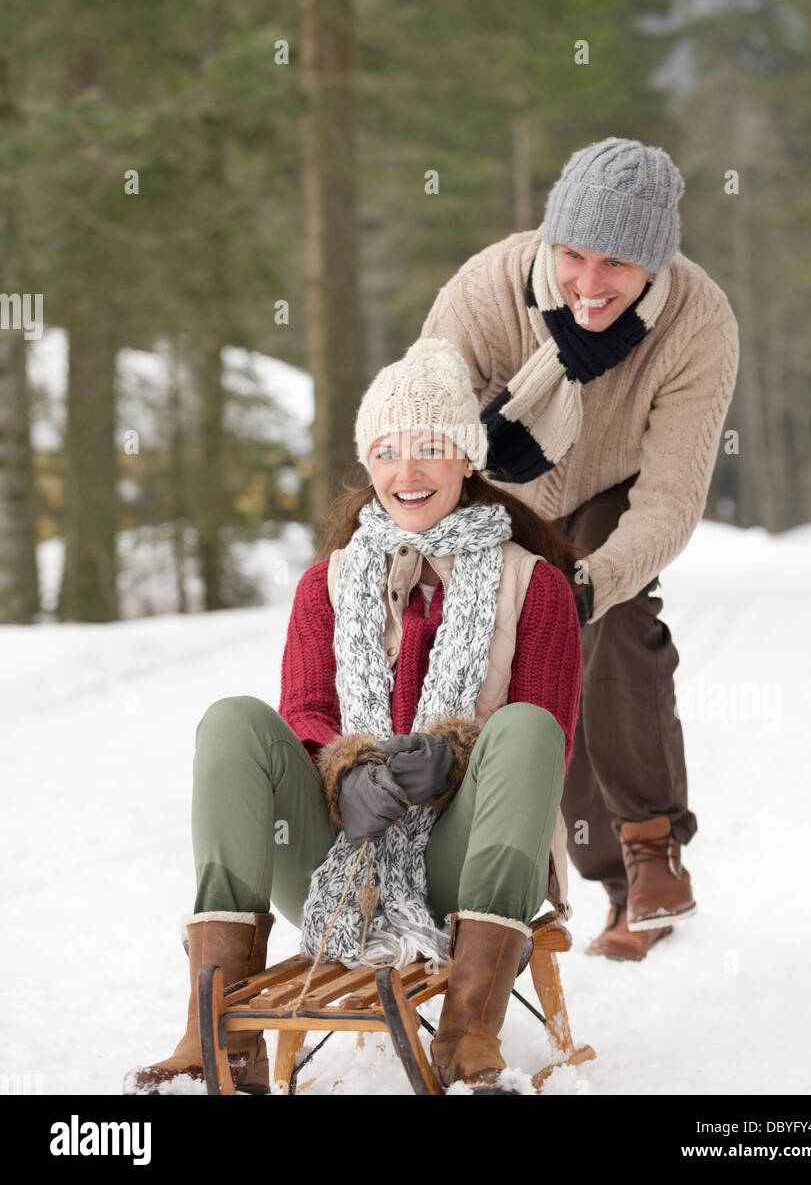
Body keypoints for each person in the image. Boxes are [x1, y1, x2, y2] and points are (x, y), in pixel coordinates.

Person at [124, 336, 585, 1096]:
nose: (408, 472)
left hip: (473, 863)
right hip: (339, 869)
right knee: (234, 720)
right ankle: (213, 1034)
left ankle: (469, 1034)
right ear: (368, 462)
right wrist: (343, 771)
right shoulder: (325, 586)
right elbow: (305, 713)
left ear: (467, 459)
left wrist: (455, 759)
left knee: (528, 728)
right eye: (388, 450)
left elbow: (544, 744)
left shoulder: (535, 589)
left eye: (432, 447)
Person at [420, 137, 739, 961]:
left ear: (656, 264)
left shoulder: (697, 322)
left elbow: (670, 495)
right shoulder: (492, 287)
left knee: (614, 627)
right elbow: (422, 406)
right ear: (548, 240)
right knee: (525, 662)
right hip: (504, 487)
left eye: (619, 266)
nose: (591, 286)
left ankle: (647, 849)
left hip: (617, 493)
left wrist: (592, 584)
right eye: (574, 256)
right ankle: (523, 877)